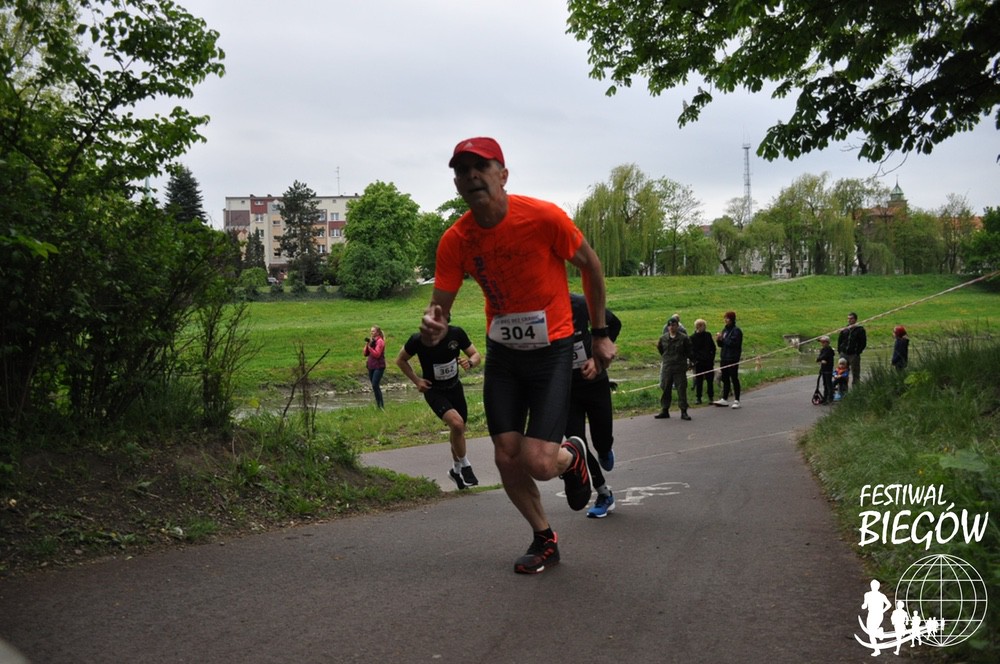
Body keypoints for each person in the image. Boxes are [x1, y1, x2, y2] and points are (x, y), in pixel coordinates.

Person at [419, 136, 616, 575]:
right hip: (505, 355)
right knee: (506, 455)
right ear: (456, 184)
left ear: (503, 175)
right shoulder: (456, 240)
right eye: (462, 170)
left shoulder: (543, 218)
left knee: (539, 463)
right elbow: (439, 310)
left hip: (552, 351)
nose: (471, 175)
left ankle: (572, 457)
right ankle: (544, 537)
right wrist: (433, 327)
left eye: (481, 166)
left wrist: (600, 334)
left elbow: (591, 266)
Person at [396, 322, 482, 491]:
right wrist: (417, 381)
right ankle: (466, 466)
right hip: (433, 390)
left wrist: (470, 363)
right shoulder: (417, 340)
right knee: (457, 424)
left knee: (458, 430)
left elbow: (475, 354)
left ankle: (455, 471)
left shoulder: (456, 333)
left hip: (455, 388)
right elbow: (400, 360)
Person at [566, 293, 622, 519]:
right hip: (565, 390)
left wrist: (597, 360)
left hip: (594, 382)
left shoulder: (580, 304)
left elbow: (615, 324)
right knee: (576, 444)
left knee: (601, 441)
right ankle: (604, 494)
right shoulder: (537, 313)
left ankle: (605, 449)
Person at [655, 317, 693, 420]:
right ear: (668, 327)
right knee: (666, 388)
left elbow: (689, 351)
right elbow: (661, 350)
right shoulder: (663, 338)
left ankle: (684, 411)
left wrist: (691, 362)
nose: (672, 327)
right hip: (667, 367)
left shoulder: (684, 338)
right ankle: (665, 410)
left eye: (674, 325)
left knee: (681, 389)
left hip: (679, 367)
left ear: (677, 326)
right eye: (670, 325)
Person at [714, 311, 743, 409]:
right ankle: (724, 398)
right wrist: (719, 339)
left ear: (732, 319)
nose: (725, 320)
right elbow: (721, 345)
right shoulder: (725, 330)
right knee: (725, 378)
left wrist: (723, 339)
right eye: (725, 318)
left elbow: (733, 344)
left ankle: (737, 400)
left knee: (734, 378)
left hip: (733, 358)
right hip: (724, 357)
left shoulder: (736, 331)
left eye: (727, 318)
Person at [689, 318, 716, 405]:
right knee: (699, 380)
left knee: (710, 380)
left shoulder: (708, 335)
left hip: (708, 361)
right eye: (703, 326)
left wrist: (711, 358)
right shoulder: (692, 337)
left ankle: (711, 397)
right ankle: (698, 398)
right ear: (698, 326)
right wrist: (695, 360)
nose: (704, 327)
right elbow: (691, 351)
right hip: (699, 362)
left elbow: (713, 347)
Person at [861, 579, 892, 654]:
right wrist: (864, 606)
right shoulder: (868, 595)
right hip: (872, 614)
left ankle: (879, 633)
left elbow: (889, 604)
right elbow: (865, 605)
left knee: (871, 633)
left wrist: (883, 611)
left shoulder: (880, 596)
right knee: (870, 632)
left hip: (877, 614)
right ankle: (877, 648)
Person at [837, 312, 867, 386]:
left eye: (851, 318)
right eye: (848, 318)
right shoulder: (845, 329)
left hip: (854, 355)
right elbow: (840, 341)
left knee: (855, 373)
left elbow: (863, 342)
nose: (849, 320)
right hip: (844, 354)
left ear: (855, 319)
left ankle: (855, 389)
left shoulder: (860, 330)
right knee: (842, 372)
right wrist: (840, 351)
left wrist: (858, 352)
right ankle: (843, 389)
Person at [363, 326, 386, 409]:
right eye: (371, 331)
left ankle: (381, 405)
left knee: (375, 384)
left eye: (373, 331)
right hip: (371, 366)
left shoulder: (380, 341)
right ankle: (379, 405)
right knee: (374, 386)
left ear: (378, 332)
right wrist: (367, 344)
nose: (371, 332)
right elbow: (365, 354)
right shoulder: (372, 341)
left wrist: (370, 348)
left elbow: (377, 354)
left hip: (379, 366)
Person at [816, 335, 835, 404]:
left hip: (828, 369)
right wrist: (820, 360)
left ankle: (830, 398)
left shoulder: (829, 349)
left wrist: (819, 359)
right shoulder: (823, 349)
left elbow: (823, 357)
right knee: (825, 384)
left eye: (823, 342)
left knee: (828, 384)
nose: (822, 344)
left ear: (827, 342)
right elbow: (820, 358)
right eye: (821, 342)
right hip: (823, 369)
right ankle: (825, 398)